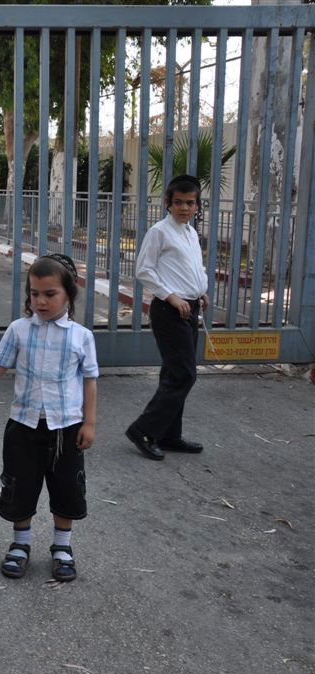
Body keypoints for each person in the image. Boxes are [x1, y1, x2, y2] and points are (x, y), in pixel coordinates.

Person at [0, 254, 97, 582]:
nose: (40, 301)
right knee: (21, 486)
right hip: (24, 426)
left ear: (69, 294)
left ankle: (62, 547)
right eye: (34, 293)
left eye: (50, 294)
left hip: (66, 429)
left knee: (66, 488)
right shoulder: (18, 330)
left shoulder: (81, 336)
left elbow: (90, 380)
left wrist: (89, 422)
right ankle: (20, 544)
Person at [126, 174, 209, 461]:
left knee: (175, 373)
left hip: (190, 307)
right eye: (178, 203)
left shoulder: (190, 232)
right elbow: (144, 270)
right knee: (184, 374)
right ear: (167, 204)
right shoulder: (159, 232)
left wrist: (202, 292)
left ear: (197, 205)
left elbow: (194, 267)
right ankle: (143, 430)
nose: (184, 208)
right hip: (169, 310)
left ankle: (170, 435)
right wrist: (172, 296)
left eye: (190, 203)